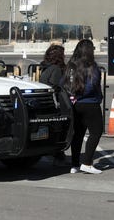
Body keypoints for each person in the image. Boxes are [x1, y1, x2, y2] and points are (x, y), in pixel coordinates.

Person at [65, 39, 104, 174]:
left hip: (74, 104)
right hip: (90, 103)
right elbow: (92, 85)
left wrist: (73, 97)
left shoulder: (71, 65)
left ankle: (74, 164)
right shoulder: (92, 66)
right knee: (96, 132)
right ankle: (87, 162)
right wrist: (99, 98)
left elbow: (63, 83)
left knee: (78, 134)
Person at [36, 43, 70, 164]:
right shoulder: (56, 69)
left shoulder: (46, 67)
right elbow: (56, 87)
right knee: (59, 129)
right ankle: (57, 154)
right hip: (54, 104)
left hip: (44, 103)